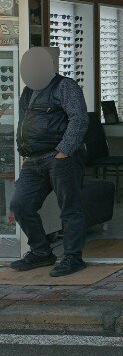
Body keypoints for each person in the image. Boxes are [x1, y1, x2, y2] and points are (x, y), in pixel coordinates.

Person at [9, 47, 89, 277]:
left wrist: (64, 151)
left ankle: (73, 257)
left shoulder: (65, 86)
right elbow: (24, 123)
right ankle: (41, 252)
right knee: (20, 205)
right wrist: (23, 149)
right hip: (33, 160)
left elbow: (79, 118)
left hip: (59, 157)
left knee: (69, 209)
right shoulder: (28, 91)